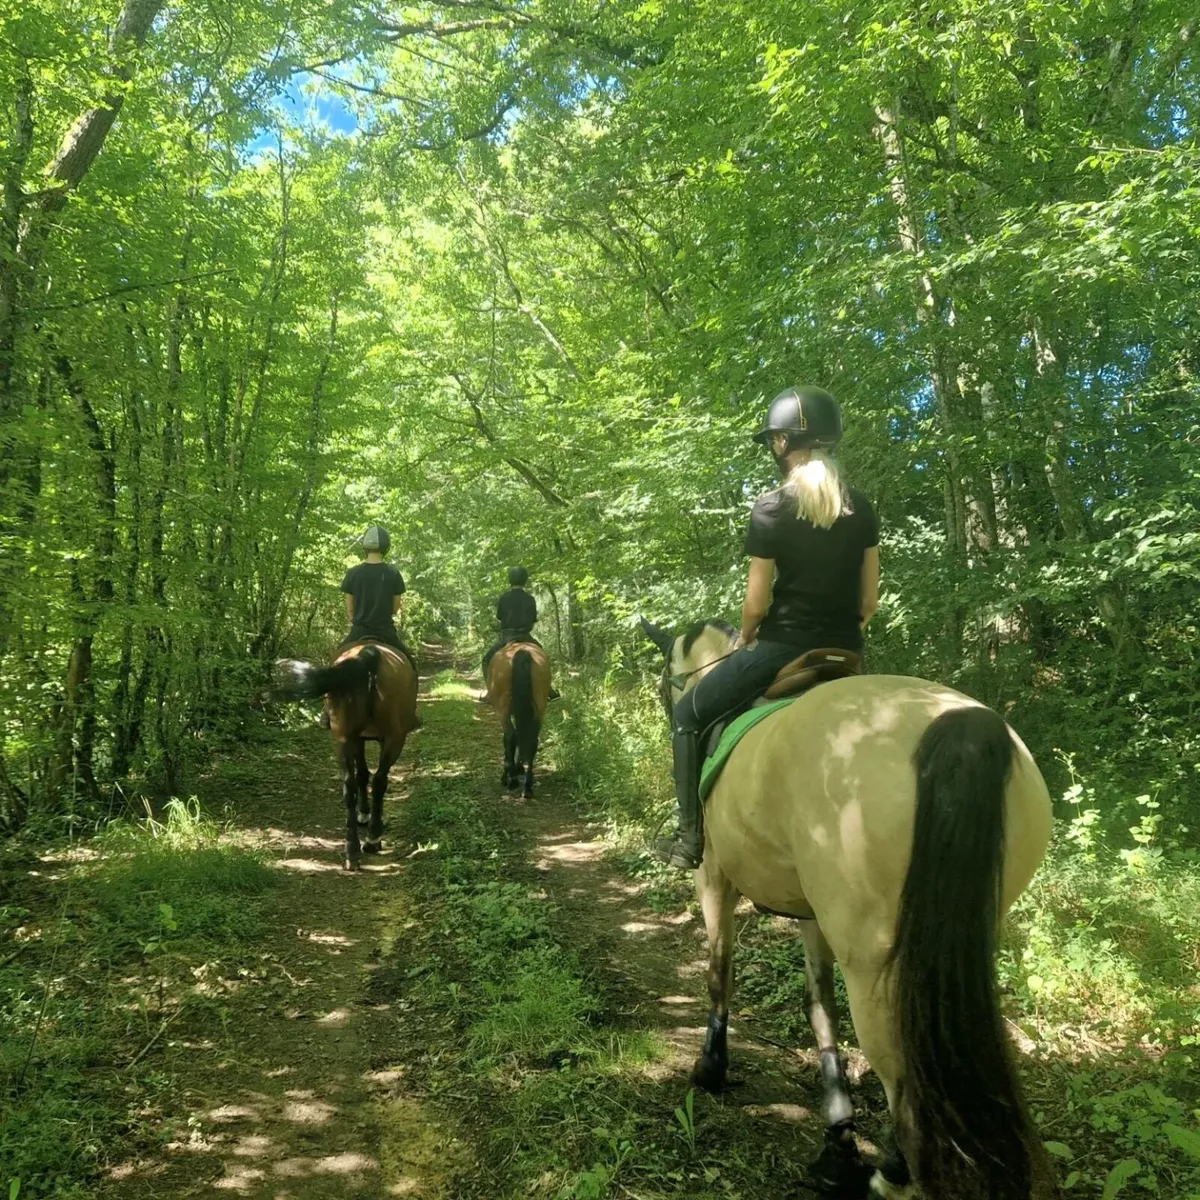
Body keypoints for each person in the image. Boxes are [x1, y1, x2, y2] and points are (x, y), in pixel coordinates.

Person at [654, 385, 880, 869]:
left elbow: (755, 604)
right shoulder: (860, 507)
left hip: (783, 646)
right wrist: (845, 630)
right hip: (847, 651)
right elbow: (869, 600)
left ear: (782, 444)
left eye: (774, 441)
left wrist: (750, 636)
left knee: (688, 716)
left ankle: (689, 839)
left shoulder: (772, 507)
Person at [319, 525, 413, 728]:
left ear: (364, 547)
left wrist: (357, 619)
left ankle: (327, 710)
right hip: (386, 631)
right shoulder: (393, 573)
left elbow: (349, 608)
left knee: (333, 663)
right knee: (410, 663)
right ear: (386, 547)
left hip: (359, 630)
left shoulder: (353, 574)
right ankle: (411, 711)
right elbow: (395, 608)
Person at [481, 566, 560, 698]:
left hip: (507, 637)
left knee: (487, 660)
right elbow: (533, 619)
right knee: (544, 657)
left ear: (510, 580)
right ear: (525, 580)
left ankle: (490, 691)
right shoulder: (530, 598)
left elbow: (500, 617)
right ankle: (549, 690)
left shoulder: (504, 598)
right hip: (525, 636)